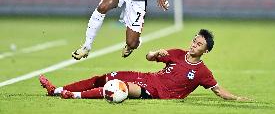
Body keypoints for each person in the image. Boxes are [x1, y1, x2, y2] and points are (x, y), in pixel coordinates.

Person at [39, 29, 249, 101]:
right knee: (104, 78)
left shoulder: (203, 72)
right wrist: (156, 53)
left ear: (206, 51)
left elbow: (218, 90)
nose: (194, 44)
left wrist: (238, 98)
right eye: (194, 40)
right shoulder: (177, 53)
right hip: (147, 78)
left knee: (118, 88)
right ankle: (56, 90)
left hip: (155, 92)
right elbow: (149, 57)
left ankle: (72, 95)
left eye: (199, 44)